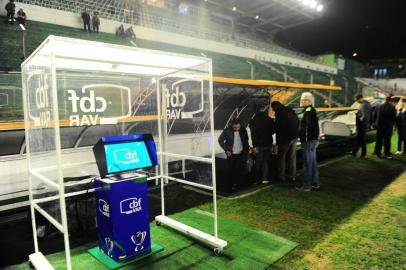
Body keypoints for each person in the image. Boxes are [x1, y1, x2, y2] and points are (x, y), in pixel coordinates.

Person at [270, 101, 300, 183]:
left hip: (285, 139)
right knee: (292, 157)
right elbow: (297, 121)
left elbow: (279, 129)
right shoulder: (290, 110)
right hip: (294, 136)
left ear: (275, 107)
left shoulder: (280, 114)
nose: (272, 110)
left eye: (272, 108)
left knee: (281, 157)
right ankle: (292, 176)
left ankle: (281, 177)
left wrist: (278, 143)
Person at [218, 119, 250, 193]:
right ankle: (233, 186)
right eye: (235, 127)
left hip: (242, 153)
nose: (236, 129)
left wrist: (248, 148)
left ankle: (242, 185)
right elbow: (220, 140)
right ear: (231, 125)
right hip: (232, 154)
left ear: (240, 125)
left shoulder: (243, 130)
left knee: (243, 169)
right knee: (232, 170)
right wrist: (226, 150)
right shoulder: (227, 131)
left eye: (238, 127)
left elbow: (246, 140)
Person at [297, 92, 320, 191]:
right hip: (312, 140)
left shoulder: (308, 111)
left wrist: (303, 136)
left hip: (308, 141)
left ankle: (307, 186)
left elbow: (309, 126)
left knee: (307, 163)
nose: (301, 101)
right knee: (313, 162)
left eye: (304, 99)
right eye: (302, 99)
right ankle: (315, 183)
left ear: (309, 101)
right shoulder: (311, 110)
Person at [249, 109, 275, 184]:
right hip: (268, 143)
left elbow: (253, 135)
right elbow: (273, 130)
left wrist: (254, 146)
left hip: (258, 145)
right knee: (265, 162)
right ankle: (264, 179)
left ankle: (256, 180)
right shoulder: (269, 120)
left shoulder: (253, 121)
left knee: (258, 162)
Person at [350, 94, 371, 158]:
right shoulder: (366, 104)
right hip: (363, 124)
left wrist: (358, 117)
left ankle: (363, 155)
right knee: (359, 139)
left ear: (360, 98)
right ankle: (354, 152)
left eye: (356, 100)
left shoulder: (364, 105)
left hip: (362, 125)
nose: (356, 101)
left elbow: (364, 117)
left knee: (362, 140)